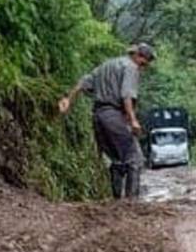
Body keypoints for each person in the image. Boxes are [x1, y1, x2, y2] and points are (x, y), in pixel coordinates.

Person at [58, 42, 155, 198]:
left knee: (116, 160)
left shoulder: (107, 65)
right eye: (145, 62)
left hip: (98, 116)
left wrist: (68, 99)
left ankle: (117, 202)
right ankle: (132, 203)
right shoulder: (130, 67)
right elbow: (127, 95)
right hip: (113, 116)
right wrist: (133, 120)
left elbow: (83, 82)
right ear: (138, 56)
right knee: (135, 159)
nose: (144, 67)